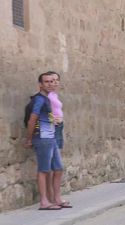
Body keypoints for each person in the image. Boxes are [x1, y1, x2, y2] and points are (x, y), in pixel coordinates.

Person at [25, 72, 66, 210]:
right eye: (47, 82)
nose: (50, 84)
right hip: (42, 138)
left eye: (52, 81)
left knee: (58, 168)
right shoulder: (39, 100)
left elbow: (46, 118)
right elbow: (32, 119)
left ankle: (56, 198)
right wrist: (29, 138)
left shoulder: (48, 99)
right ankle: (44, 201)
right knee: (44, 170)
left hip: (51, 137)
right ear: (40, 85)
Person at [46, 71, 72, 208]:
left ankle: (55, 197)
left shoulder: (54, 95)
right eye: (51, 80)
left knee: (56, 166)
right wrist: (52, 120)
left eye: (56, 80)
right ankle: (53, 198)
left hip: (58, 128)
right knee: (54, 166)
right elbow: (43, 113)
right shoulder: (47, 97)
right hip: (52, 129)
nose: (54, 82)